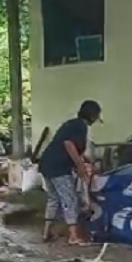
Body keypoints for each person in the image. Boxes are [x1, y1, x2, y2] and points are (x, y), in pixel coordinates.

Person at [38, 100, 103, 245]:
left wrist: (85, 159)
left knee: (53, 198)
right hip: (58, 166)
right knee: (70, 198)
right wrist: (80, 167)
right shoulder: (81, 126)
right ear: (92, 115)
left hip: (47, 163)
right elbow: (68, 144)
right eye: (96, 116)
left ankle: (46, 232)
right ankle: (74, 236)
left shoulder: (71, 123)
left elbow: (68, 145)